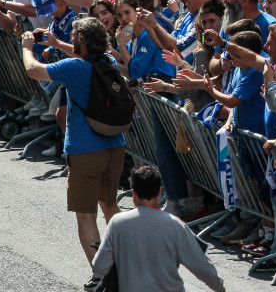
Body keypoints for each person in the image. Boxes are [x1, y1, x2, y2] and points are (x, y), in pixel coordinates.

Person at [20, 17, 126, 290]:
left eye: (73, 35)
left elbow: (33, 70)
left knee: (86, 215)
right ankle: (125, 266)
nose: (71, 38)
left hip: (85, 151)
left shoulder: (74, 68)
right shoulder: (109, 63)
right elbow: (85, 58)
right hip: (114, 146)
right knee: (110, 205)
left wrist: (26, 46)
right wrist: (57, 44)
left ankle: (102, 276)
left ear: (81, 39)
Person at [91, 166, 226, 292]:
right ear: (159, 192)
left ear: (133, 193)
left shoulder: (117, 223)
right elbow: (200, 266)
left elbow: (99, 266)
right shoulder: (174, 225)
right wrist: (219, 287)